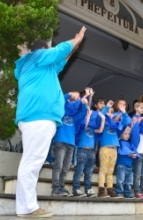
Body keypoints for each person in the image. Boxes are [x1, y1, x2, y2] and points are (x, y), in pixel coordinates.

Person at [14, 26, 87, 218]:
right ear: (43, 50)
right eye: (48, 50)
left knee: (32, 161)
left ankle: (25, 206)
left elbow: (61, 60)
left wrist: (74, 49)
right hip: (38, 117)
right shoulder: (36, 57)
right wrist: (76, 40)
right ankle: (27, 207)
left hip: (38, 118)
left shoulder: (43, 68)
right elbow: (58, 51)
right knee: (32, 161)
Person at [51, 90, 89, 197]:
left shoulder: (74, 116)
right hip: (60, 142)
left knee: (65, 167)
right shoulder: (62, 111)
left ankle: (61, 188)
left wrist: (84, 104)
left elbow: (82, 113)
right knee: (58, 166)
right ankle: (55, 189)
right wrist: (69, 94)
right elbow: (60, 100)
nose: (77, 97)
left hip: (71, 144)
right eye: (75, 95)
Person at [72, 103, 105, 197]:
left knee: (89, 172)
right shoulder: (82, 123)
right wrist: (88, 115)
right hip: (82, 150)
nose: (89, 116)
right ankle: (76, 189)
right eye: (87, 114)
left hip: (91, 151)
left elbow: (100, 130)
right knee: (79, 171)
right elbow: (85, 125)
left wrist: (103, 120)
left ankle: (88, 189)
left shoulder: (92, 127)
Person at [97, 101, 128, 198]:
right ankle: (101, 190)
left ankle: (110, 189)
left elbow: (126, 122)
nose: (110, 114)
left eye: (112, 112)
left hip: (114, 149)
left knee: (110, 171)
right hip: (105, 148)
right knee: (103, 169)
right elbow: (100, 115)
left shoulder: (116, 126)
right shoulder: (103, 123)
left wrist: (123, 112)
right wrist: (106, 107)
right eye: (108, 112)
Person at [115, 120, 140, 199]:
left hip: (129, 166)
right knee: (120, 180)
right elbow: (123, 150)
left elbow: (135, 150)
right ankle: (119, 192)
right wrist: (130, 153)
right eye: (125, 133)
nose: (127, 135)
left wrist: (135, 155)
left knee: (129, 181)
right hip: (121, 165)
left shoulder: (130, 143)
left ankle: (128, 193)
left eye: (129, 134)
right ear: (121, 134)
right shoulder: (119, 142)